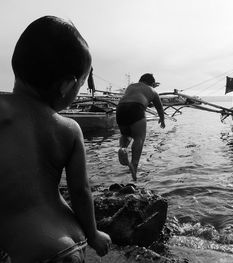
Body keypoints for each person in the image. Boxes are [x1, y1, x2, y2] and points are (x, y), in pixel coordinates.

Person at [0, 16, 111, 262]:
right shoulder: (69, 129)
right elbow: (81, 191)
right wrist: (93, 234)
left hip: (26, 248)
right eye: (81, 85)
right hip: (71, 242)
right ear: (67, 86)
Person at [116, 73, 165, 181]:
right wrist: (162, 120)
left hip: (120, 109)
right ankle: (134, 166)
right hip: (136, 108)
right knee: (139, 138)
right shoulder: (153, 91)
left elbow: (134, 95)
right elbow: (160, 109)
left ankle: (122, 148)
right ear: (152, 83)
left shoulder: (131, 86)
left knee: (126, 134)